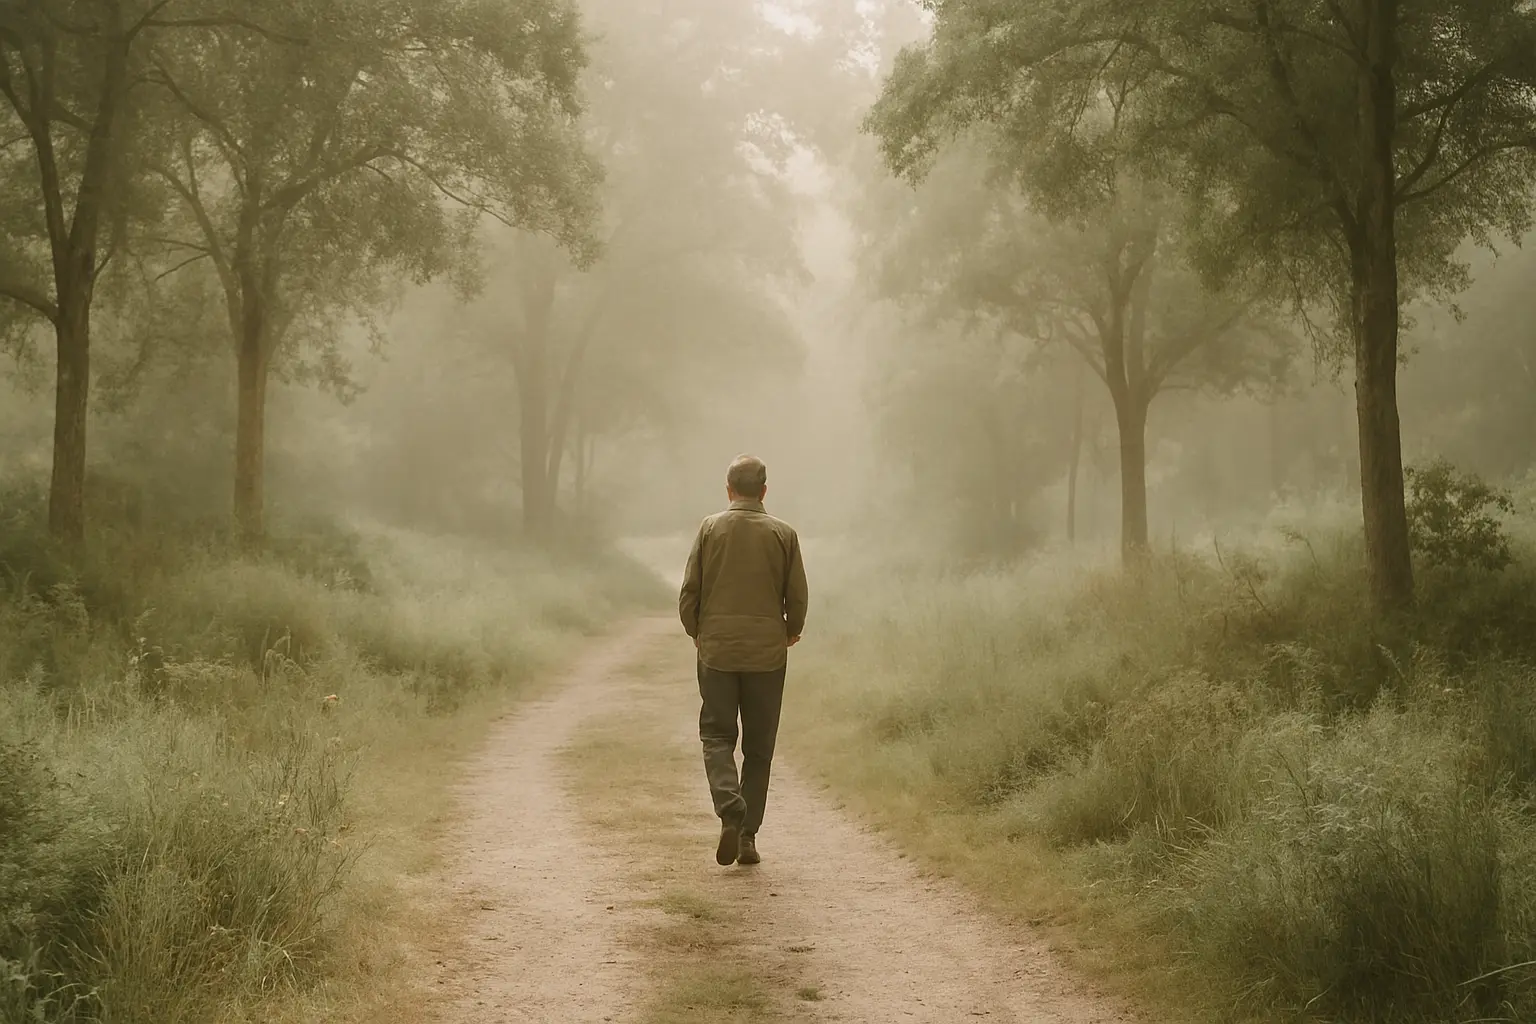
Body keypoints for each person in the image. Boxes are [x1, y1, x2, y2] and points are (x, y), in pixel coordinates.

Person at [679, 454, 809, 867]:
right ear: (764, 491)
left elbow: (689, 593)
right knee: (758, 750)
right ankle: (748, 836)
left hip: (717, 651)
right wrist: (788, 631)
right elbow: (797, 597)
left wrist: (697, 631)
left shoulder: (709, 528)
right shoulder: (783, 534)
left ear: (729, 489)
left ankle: (729, 808)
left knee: (717, 737)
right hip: (767, 656)